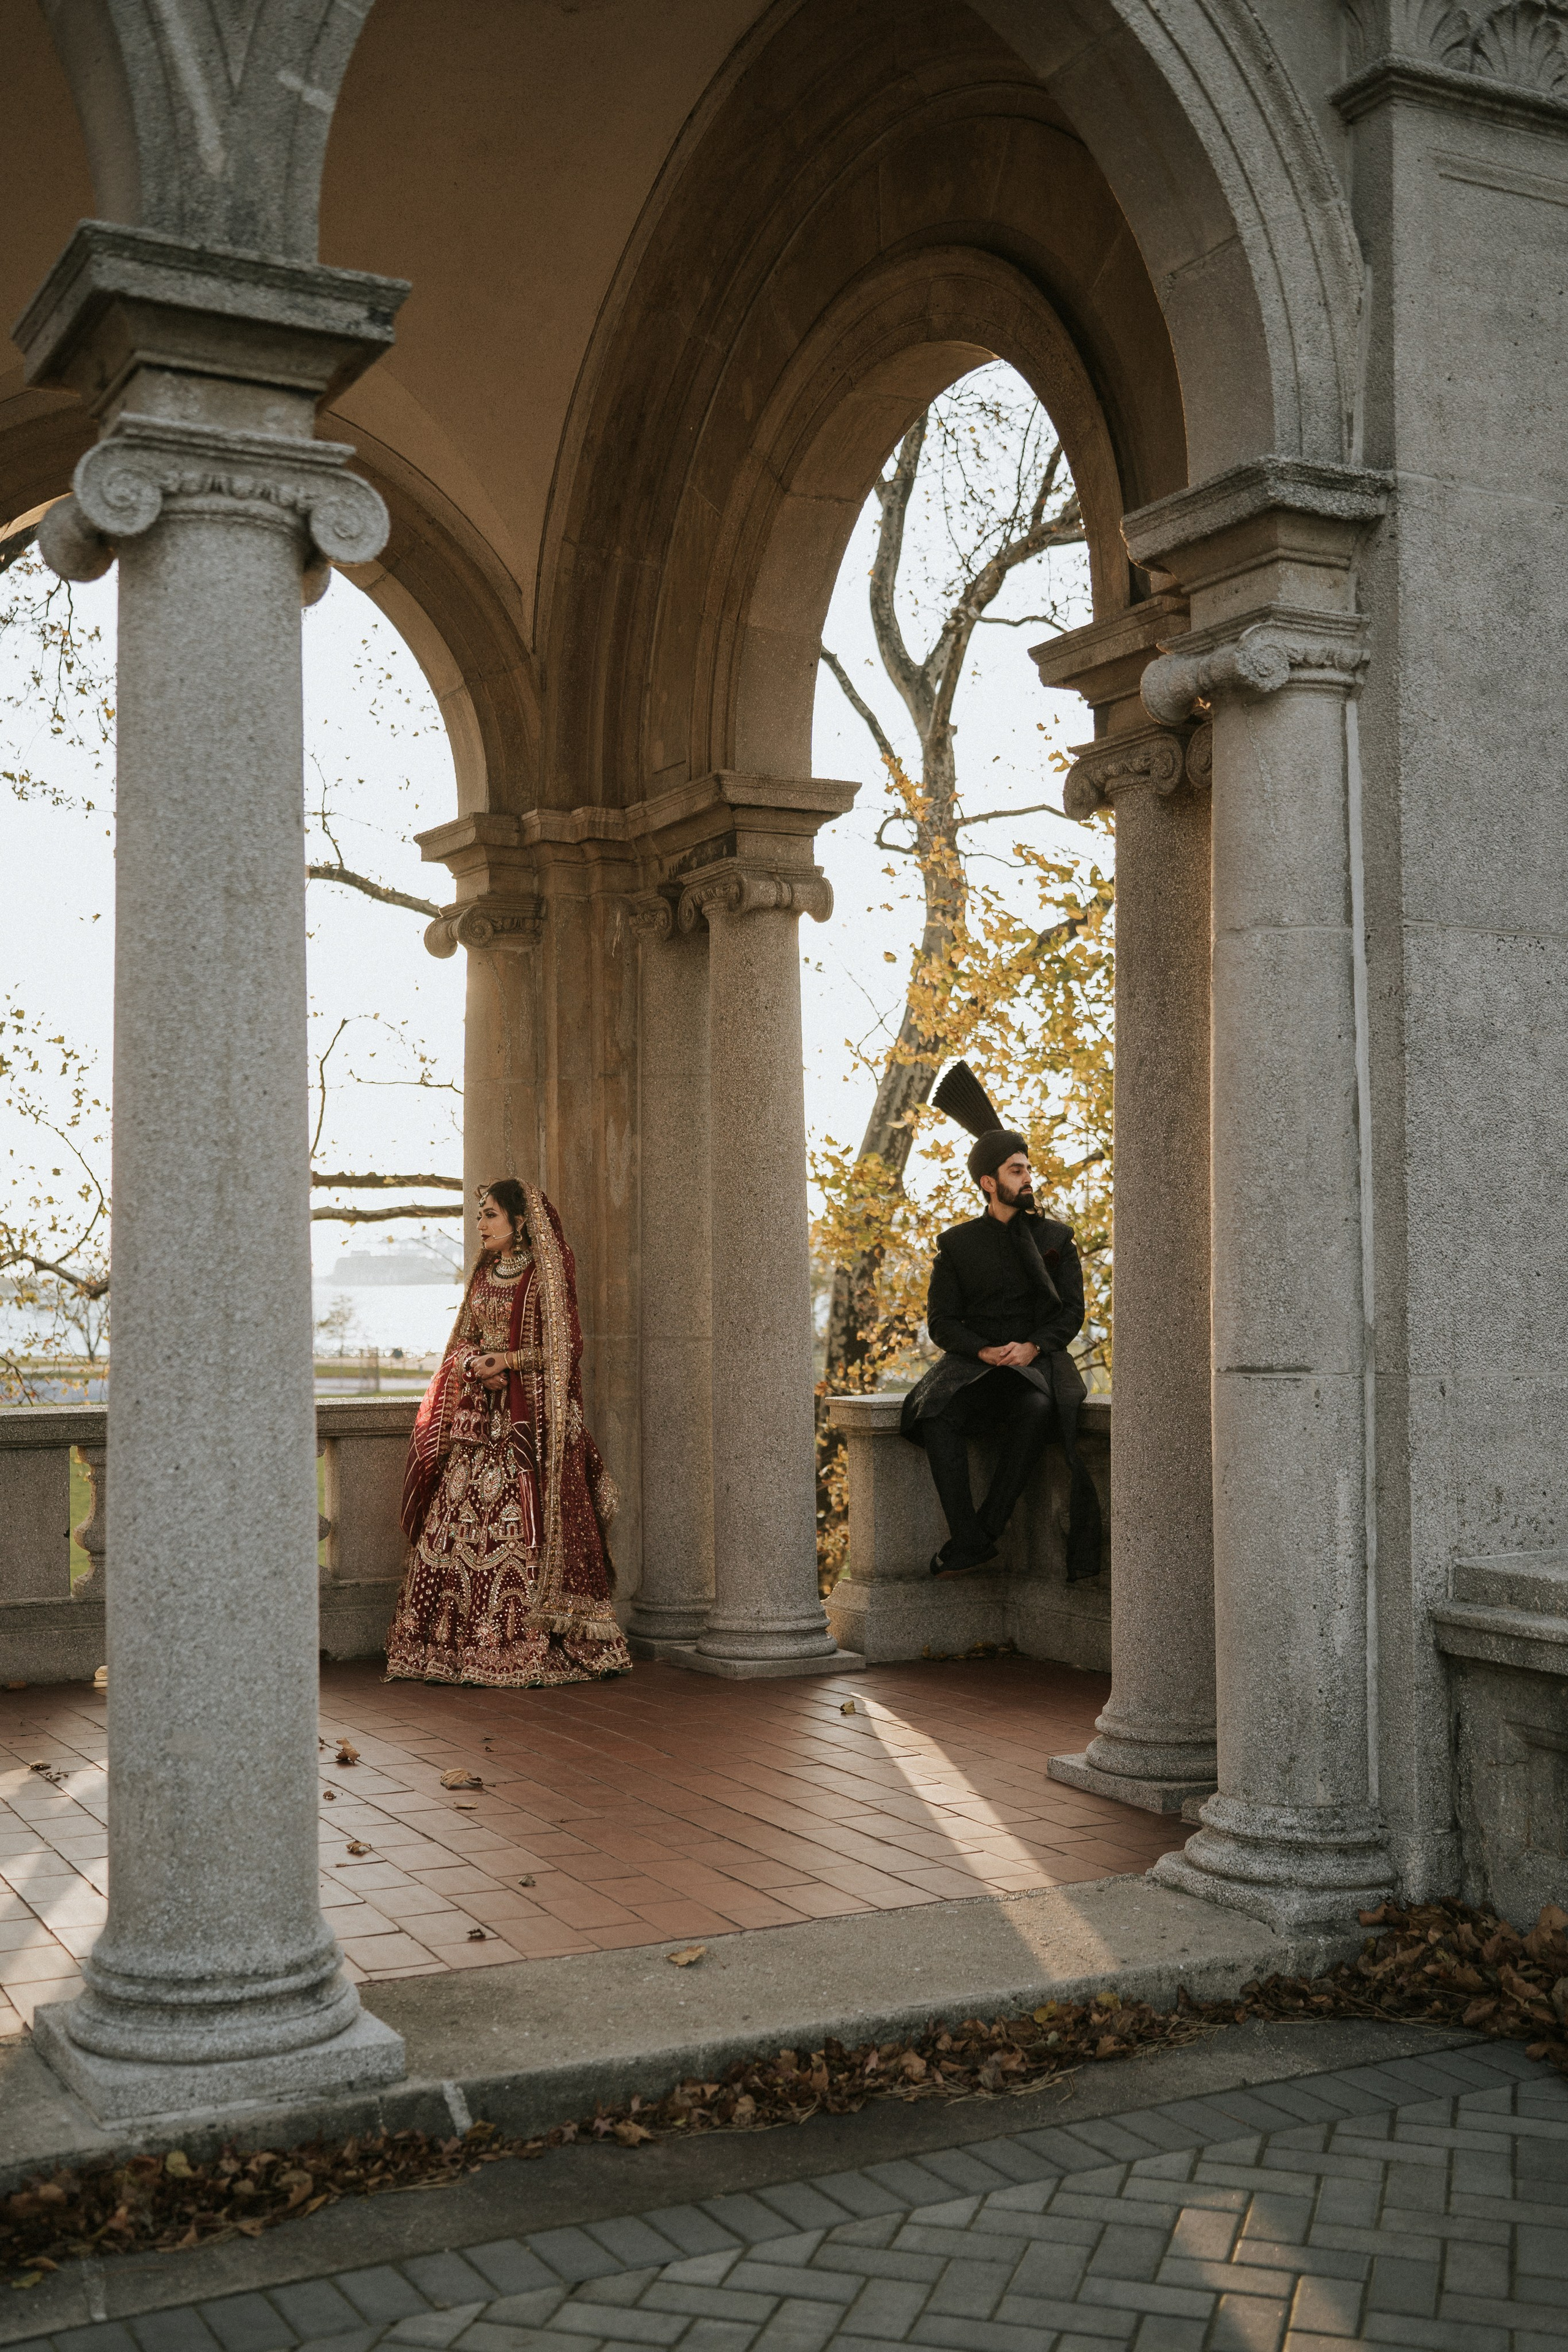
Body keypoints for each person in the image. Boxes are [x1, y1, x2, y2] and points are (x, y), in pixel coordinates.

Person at [387, 1178, 631, 1687]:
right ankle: (453, 1651)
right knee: (450, 1534)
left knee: (520, 1533)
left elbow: (566, 1352)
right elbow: (465, 1344)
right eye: (480, 1216)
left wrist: (511, 1361)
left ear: (521, 1223)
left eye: (491, 1215)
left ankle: (525, 1649)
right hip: (478, 1430)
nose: (481, 1225)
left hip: (528, 1433)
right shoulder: (482, 1276)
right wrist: (476, 1364)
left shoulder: (545, 1279)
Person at [900, 1061, 1103, 1583]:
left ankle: (983, 1532)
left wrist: (1034, 1347)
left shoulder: (1057, 1237)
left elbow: (1072, 1311)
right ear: (989, 1182)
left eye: (1028, 1168)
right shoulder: (957, 1245)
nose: (1028, 1177)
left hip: (1035, 1368)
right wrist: (985, 1352)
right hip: (975, 1368)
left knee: (1038, 1406)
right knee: (934, 1414)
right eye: (1016, 1170)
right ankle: (968, 1537)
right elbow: (942, 1322)